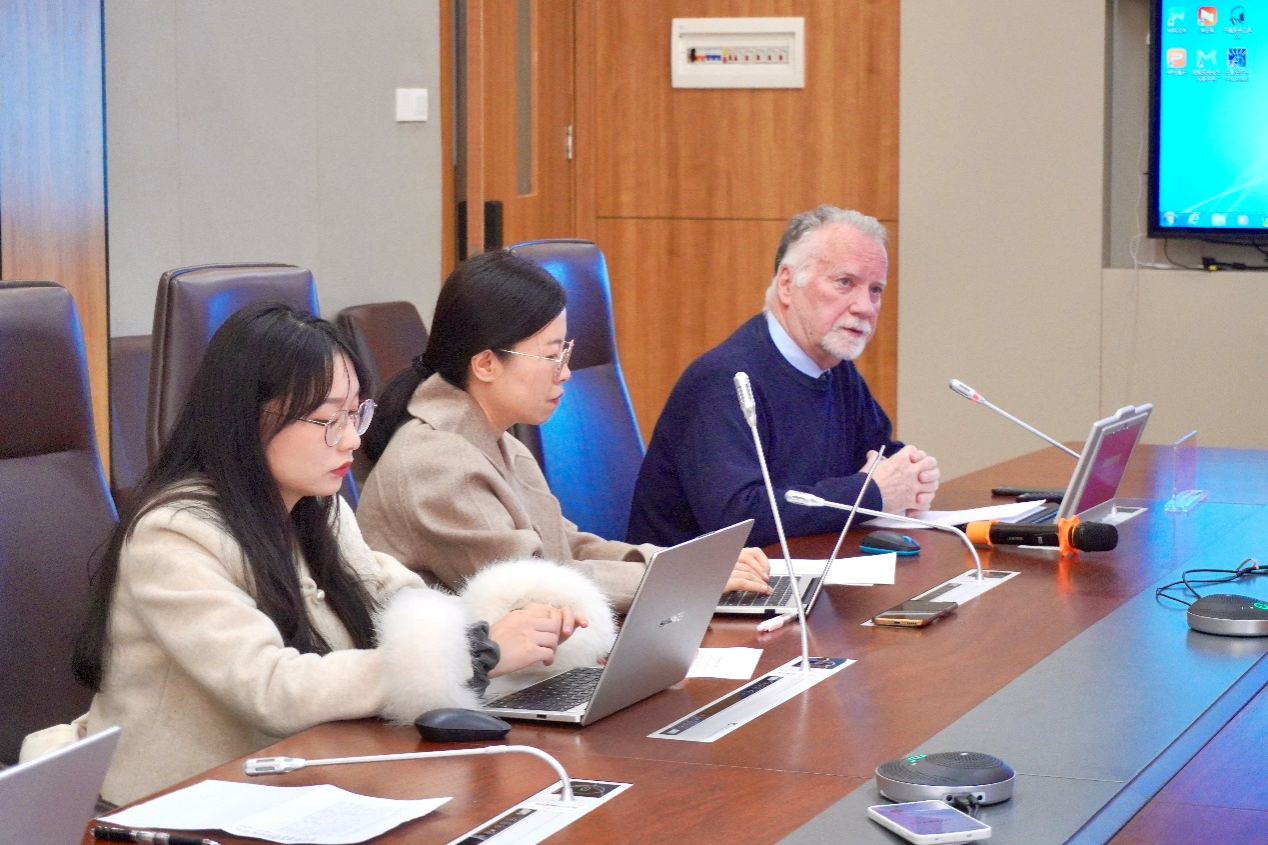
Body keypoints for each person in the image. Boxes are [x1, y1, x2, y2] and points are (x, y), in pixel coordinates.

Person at [67, 302, 612, 806]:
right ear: (248, 416)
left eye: (356, 414)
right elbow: (271, 688)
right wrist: (475, 653)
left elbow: (399, 596)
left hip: (297, 778)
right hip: (177, 804)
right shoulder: (174, 533)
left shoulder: (316, 506)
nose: (352, 439)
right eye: (329, 420)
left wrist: (514, 623)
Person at [357, 250, 770, 613]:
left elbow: (565, 547)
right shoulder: (439, 464)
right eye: (552, 356)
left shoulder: (496, 439)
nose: (566, 373)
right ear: (485, 364)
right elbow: (536, 589)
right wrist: (685, 578)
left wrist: (688, 563)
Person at [626, 205, 940, 549]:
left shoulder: (836, 370)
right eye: (845, 282)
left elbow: (878, 456)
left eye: (876, 289)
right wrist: (870, 494)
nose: (865, 307)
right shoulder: (725, 381)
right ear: (788, 285)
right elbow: (737, 519)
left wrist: (914, 475)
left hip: (803, 565)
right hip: (706, 580)